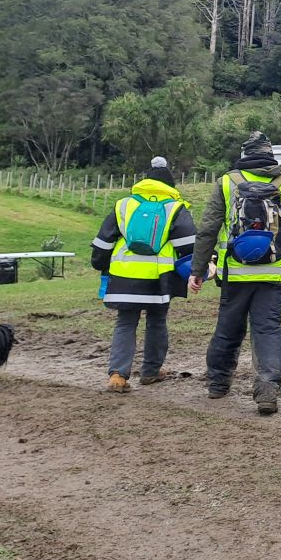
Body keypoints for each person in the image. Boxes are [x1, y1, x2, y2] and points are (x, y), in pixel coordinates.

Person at [189, 132, 281, 415]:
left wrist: (198, 269)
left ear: (245, 155)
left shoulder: (226, 182)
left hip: (235, 274)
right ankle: (267, 387)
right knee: (267, 329)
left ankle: (218, 385)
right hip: (275, 275)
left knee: (228, 328)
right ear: (271, 154)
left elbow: (208, 228)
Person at [91, 157, 195, 392]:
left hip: (124, 274)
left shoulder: (124, 205)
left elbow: (103, 241)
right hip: (159, 277)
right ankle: (150, 370)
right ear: (170, 185)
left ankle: (118, 375)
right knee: (157, 321)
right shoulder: (175, 207)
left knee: (125, 323)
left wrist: (99, 265)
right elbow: (189, 246)